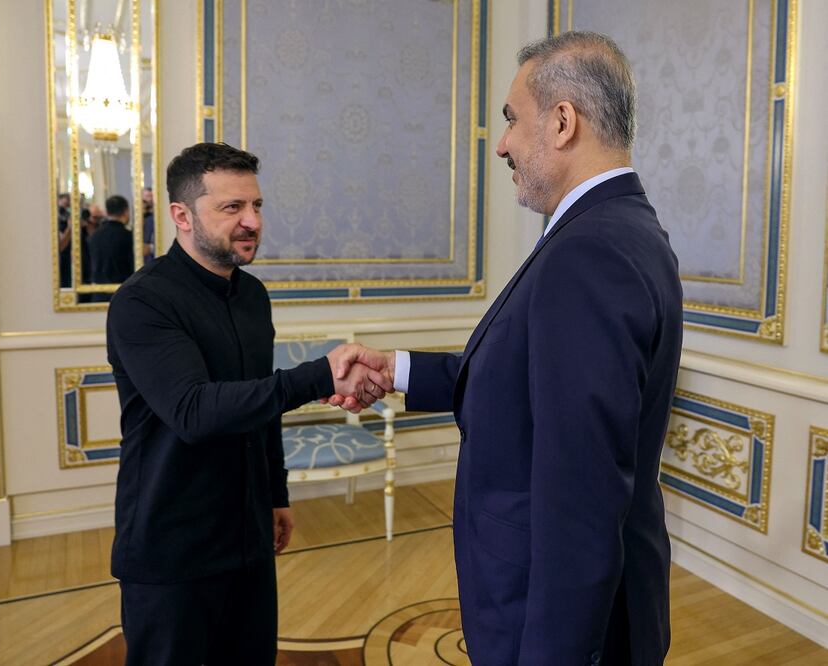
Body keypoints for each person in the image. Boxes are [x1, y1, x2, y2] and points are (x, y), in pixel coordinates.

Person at [332, 32, 683, 665]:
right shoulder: (616, 228)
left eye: (512, 120)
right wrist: (401, 370)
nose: (502, 145)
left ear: (563, 121)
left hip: (544, 615)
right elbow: (526, 379)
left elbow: (580, 500)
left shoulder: (589, 252)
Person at [105, 142, 388, 665]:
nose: (251, 221)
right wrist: (319, 374)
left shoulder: (253, 296)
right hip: (172, 548)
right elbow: (194, 411)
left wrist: (275, 493)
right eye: (232, 207)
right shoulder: (142, 301)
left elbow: (259, 408)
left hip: (248, 536)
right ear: (181, 216)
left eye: (256, 206)